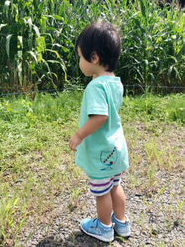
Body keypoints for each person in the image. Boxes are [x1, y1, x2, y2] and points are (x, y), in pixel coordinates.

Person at [69, 20, 131, 243]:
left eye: (80, 56)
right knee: (116, 186)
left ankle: (104, 227)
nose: (80, 62)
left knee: (102, 192)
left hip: (101, 151)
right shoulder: (115, 83)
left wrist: (79, 135)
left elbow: (100, 116)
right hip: (116, 147)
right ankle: (122, 223)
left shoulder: (95, 87)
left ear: (93, 58)